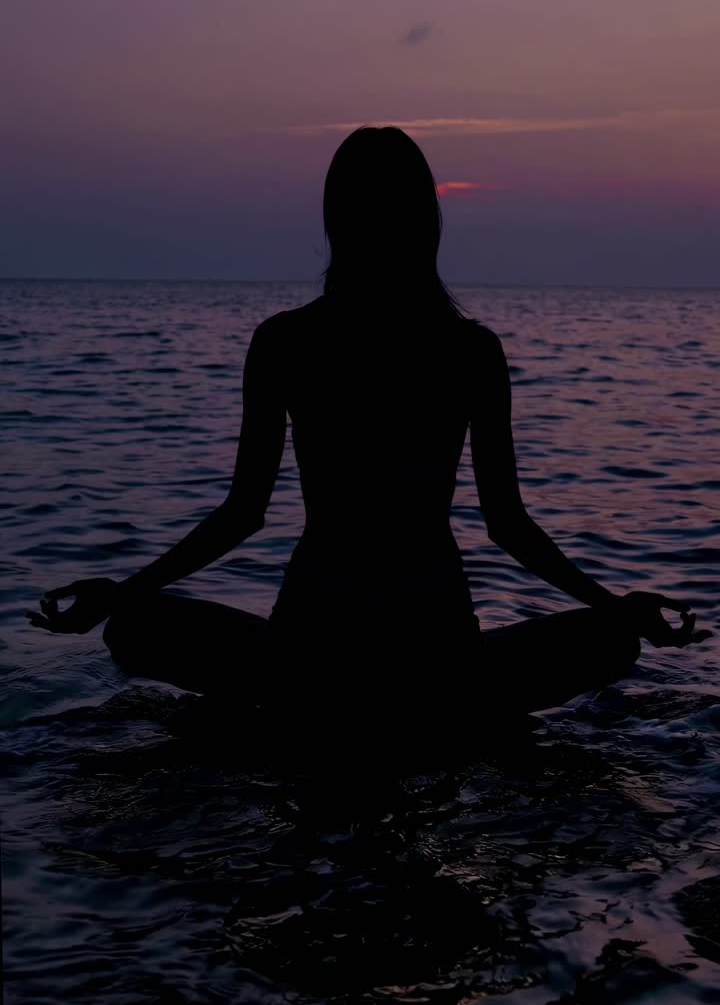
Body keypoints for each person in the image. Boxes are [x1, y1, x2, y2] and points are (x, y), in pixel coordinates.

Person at [27, 126, 710, 753]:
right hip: (434, 646)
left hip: (312, 644)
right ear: (427, 223)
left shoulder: (286, 341)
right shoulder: (470, 350)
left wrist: (122, 593)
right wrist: (616, 607)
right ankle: (455, 705)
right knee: (613, 640)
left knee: (134, 624)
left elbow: (243, 513)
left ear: (335, 220)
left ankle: (283, 703)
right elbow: (507, 525)